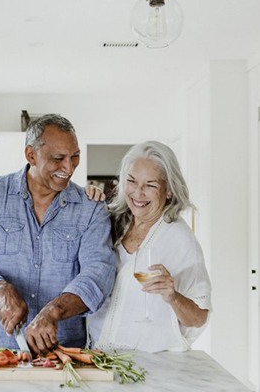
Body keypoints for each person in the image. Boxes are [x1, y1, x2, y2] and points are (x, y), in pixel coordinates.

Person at [0, 114, 116, 354]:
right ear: (31, 155)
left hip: (67, 353)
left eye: (75, 157)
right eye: (58, 158)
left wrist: (54, 311)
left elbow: (98, 274)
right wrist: (0, 290)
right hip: (5, 351)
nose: (69, 167)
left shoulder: (91, 207)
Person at [87, 140, 212, 353]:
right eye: (132, 181)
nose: (138, 193)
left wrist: (173, 296)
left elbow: (199, 317)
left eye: (150, 185)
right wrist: (85, 201)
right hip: (97, 355)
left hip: (149, 365)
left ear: (169, 190)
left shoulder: (180, 239)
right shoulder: (112, 221)